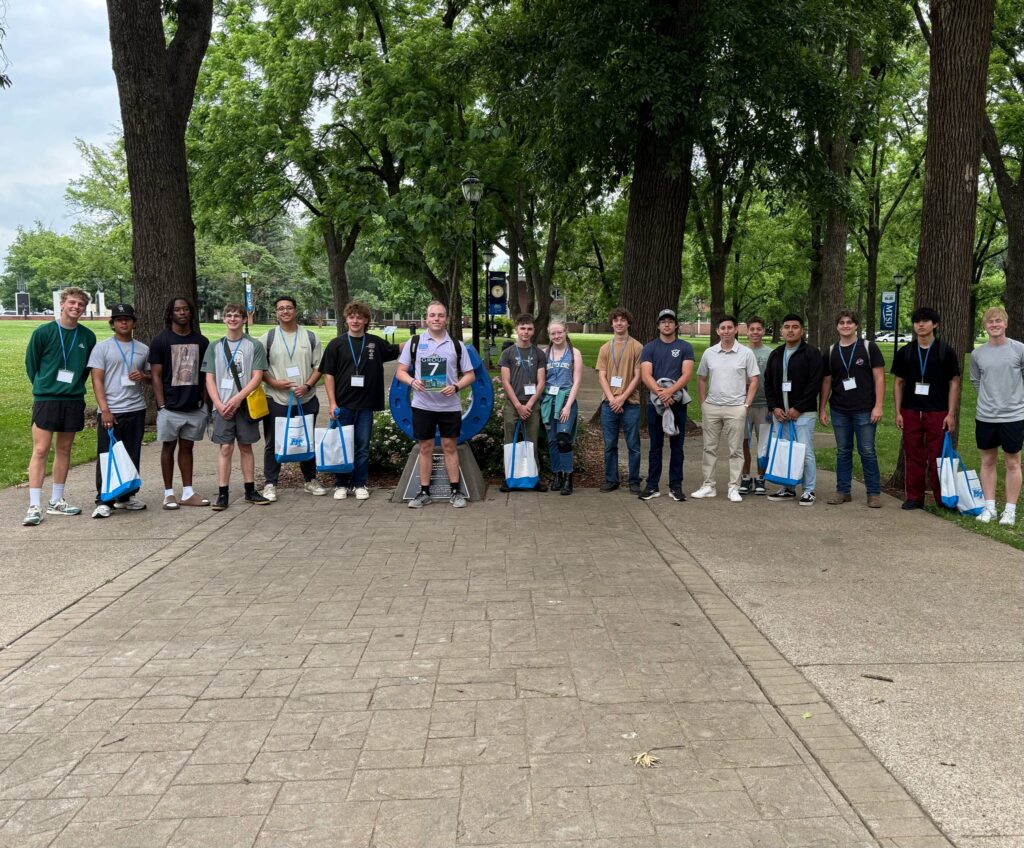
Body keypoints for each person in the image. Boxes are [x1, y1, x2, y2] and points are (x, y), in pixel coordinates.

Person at [23, 286, 97, 526]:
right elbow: (32, 364)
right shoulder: (43, 332)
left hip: (72, 399)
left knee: (64, 449)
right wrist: (45, 386)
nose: (76, 307)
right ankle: (34, 506)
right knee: (41, 449)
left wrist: (72, 387)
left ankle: (56, 501)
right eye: (72, 302)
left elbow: (85, 370)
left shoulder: (87, 337)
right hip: (46, 399)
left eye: (81, 305)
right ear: (62, 304)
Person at [396, 301, 475, 508]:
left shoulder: (456, 345)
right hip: (423, 405)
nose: (436, 319)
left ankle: (455, 492)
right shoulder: (415, 342)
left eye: (440, 315)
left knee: (450, 446)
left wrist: (456, 387)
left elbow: (470, 375)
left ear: (446, 319)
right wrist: (412, 381)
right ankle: (424, 492)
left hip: (450, 406)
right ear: (426, 318)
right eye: (433, 315)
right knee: (425, 447)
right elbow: (400, 372)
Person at [321, 301, 400, 500]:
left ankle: (359, 483)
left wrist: (422, 339)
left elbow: (396, 349)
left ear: (366, 320)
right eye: (351, 317)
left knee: (362, 446)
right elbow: (328, 375)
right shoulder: (336, 344)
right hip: (343, 404)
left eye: (359, 317)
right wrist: (332, 403)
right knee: (341, 444)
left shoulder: (374, 342)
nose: (355, 321)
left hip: (366, 405)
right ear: (346, 320)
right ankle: (341, 484)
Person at [256, 295, 327, 501]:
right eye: (281, 308)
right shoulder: (267, 338)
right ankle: (270, 483)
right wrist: (274, 383)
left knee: (307, 439)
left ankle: (310, 480)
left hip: (306, 398)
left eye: (288, 308)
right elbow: (259, 369)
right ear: (276, 313)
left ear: (295, 311)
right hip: (276, 398)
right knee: (273, 441)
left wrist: (307, 386)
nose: (285, 311)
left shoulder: (310, 337)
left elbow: (319, 367)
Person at [201, 303, 271, 510]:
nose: (232, 319)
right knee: (225, 447)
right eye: (229, 315)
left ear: (244, 319)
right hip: (222, 405)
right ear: (224, 319)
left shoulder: (254, 345)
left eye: (237, 316)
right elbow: (209, 378)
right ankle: (223, 493)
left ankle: (250, 490)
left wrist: (238, 398)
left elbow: (257, 376)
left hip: (245, 404)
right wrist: (218, 403)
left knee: (246, 446)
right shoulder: (214, 346)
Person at [891, 307, 961, 510]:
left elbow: (954, 382)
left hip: (937, 411)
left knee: (938, 457)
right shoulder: (906, 352)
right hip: (911, 410)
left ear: (935, 324)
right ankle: (914, 497)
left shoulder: (945, 351)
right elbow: (898, 382)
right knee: (913, 455)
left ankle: (943, 500)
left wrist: (951, 414)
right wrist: (898, 412)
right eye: (917, 321)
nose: (920, 325)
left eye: (925, 321)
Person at [88, 304, 151, 518]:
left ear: (134, 323)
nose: (123, 322)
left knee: (132, 453)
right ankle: (104, 499)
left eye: (127, 319)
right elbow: (97, 380)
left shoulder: (142, 348)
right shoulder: (102, 348)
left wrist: (143, 376)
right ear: (113, 324)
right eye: (118, 319)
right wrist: (105, 409)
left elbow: (151, 377)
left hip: (136, 408)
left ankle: (127, 496)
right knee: (107, 454)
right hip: (111, 410)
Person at [818, 310, 885, 508]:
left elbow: (879, 377)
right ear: (837, 326)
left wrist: (878, 406)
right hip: (839, 409)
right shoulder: (831, 351)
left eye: (849, 322)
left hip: (865, 408)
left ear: (856, 325)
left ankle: (873, 493)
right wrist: (822, 408)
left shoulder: (868, 347)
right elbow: (827, 381)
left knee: (867, 451)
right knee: (843, 451)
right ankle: (843, 491)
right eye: (842, 323)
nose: (845, 325)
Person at [149, 297, 211, 510]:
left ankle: (187, 492)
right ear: (171, 313)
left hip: (194, 406)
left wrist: (205, 404)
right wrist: (161, 405)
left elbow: (206, 375)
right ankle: (168, 494)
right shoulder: (161, 341)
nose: (182, 313)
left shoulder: (201, 341)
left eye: (185, 309)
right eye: (177, 310)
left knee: (187, 447)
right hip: (170, 407)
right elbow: (156, 375)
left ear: (191, 312)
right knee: (168, 447)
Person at [691, 315, 759, 502]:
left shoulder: (746, 353)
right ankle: (708, 486)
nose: (726, 331)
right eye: (723, 328)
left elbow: (754, 380)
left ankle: (734, 488)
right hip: (712, 407)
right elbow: (701, 379)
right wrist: (703, 404)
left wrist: (746, 405)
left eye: (730, 327)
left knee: (736, 450)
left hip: (736, 408)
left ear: (736, 329)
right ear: (717, 331)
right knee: (709, 448)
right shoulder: (709, 353)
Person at [969, 306, 1024, 525]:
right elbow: (975, 380)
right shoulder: (978, 354)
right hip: (985, 417)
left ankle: (1010, 511)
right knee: (988, 461)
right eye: (990, 322)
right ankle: (989, 507)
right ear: (985, 326)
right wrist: (988, 399)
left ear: (1006, 324)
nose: (994, 325)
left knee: (1013, 462)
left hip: (1013, 416)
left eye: (998, 321)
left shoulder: (1019, 349)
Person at [763, 313, 823, 505]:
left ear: (802, 330)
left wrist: (798, 408)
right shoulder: (776, 354)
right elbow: (768, 383)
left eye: (795, 327)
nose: (790, 330)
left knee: (805, 452)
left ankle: (809, 490)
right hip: (780, 414)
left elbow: (815, 383)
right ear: (781, 330)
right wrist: (774, 407)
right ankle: (787, 488)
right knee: (784, 450)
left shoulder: (811, 353)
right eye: (787, 327)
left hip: (803, 414)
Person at [639, 309, 695, 502]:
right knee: (655, 446)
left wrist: (670, 392)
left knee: (677, 447)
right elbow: (646, 375)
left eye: (670, 321)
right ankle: (652, 486)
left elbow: (686, 374)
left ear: (676, 325)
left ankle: (675, 486)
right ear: (658, 325)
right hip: (656, 404)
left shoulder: (685, 347)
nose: (667, 324)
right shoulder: (650, 348)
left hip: (677, 402)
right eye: (663, 322)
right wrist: (661, 394)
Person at [596, 307, 644, 493]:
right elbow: (602, 376)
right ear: (612, 323)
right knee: (610, 445)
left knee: (633, 445)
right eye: (616, 320)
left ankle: (634, 481)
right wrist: (612, 399)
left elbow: (638, 376)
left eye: (622, 320)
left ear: (628, 323)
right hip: (608, 404)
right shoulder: (605, 348)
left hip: (631, 404)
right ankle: (611, 479)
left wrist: (622, 398)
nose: (619, 323)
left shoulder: (637, 347)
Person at [499, 314, 548, 492]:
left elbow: (541, 382)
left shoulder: (539, 354)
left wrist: (529, 405)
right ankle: (509, 478)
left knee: (532, 442)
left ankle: (534, 478)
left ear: (533, 331)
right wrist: (518, 406)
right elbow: (505, 382)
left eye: (529, 329)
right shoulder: (508, 353)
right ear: (516, 330)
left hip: (532, 404)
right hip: (513, 404)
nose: (525, 332)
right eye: (522, 328)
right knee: (509, 441)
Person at [541, 321, 583, 495]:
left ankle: (568, 478)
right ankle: (556, 474)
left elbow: (577, 381)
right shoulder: (545, 353)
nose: (557, 336)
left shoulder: (574, 353)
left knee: (563, 440)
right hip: (549, 401)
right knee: (552, 440)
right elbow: (541, 380)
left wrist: (567, 406)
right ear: (549, 335)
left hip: (566, 400)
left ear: (566, 332)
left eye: (559, 332)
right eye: (553, 333)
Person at [739, 316, 772, 495]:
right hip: (744, 406)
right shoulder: (740, 352)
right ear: (747, 331)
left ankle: (761, 478)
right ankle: (745, 477)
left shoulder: (770, 353)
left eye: (759, 329)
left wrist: (773, 406)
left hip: (764, 405)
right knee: (743, 442)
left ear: (763, 331)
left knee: (763, 444)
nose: (755, 332)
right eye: (752, 329)